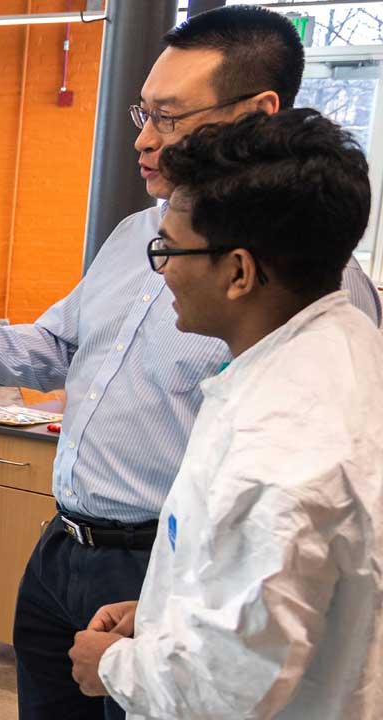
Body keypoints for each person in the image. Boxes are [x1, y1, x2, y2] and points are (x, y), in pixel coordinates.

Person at [0, 7, 382, 719]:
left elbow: (241, 666)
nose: (143, 137)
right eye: (143, 111)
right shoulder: (136, 235)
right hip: (71, 545)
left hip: (161, 561)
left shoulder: (304, 306)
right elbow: (62, 350)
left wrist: (142, 651)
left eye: (168, 116)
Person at [68, 108, 383, 720]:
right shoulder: (342, 348)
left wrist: (113, 667)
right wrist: (165, 610)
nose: (164, 273)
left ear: (238, 271)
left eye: (170, 250)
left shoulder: (277, 450)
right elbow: (269, 603)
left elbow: (228, 689)